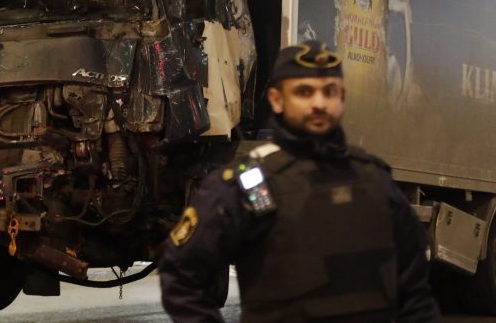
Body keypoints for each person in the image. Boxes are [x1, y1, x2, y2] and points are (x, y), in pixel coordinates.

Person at [159, 40, 441, 322]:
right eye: (304, 92)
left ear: (341, 97)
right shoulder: (249, 184)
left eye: (329, 91)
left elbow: (415, 295)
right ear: (277, 100)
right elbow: (181, 277)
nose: (319, 103)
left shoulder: (375, 181)